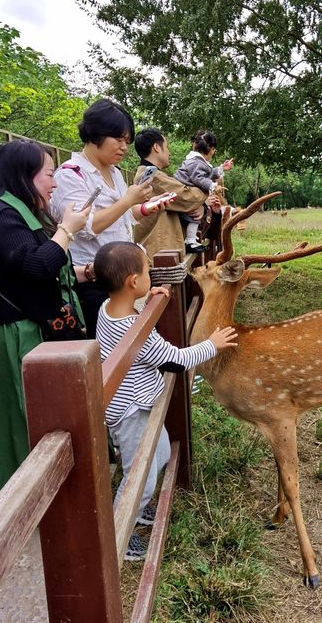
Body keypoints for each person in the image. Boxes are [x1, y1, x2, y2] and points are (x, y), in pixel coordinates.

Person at [93, 240, 238, 561]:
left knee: (158, 456)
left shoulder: (108, 309)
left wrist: (145, 300)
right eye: (148, 272)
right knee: (138, 481)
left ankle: (137, 512)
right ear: (133, 282)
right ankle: (120, 535)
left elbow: (130, 311)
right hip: (131, 415)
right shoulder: (135, 330)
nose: (152, 278)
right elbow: (174, 359)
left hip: (136, 407)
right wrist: (213, 344)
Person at [0, 140, 90, 493]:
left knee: (53, 417)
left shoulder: (29, 212)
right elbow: (38, 267)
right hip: (21, 333)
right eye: (49, 174)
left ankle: (59, 489)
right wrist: (67, 230)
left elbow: (49, 270)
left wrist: (87, 272)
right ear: (24, 174)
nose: (54, 184)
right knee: (30, 420)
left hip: (47, 328)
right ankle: (34, 495)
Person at [51, 99, 170, 339]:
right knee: (105, 350)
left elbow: (121, 216)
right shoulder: (70, 175)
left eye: (126, 141)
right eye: (118, 139)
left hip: (120, 277)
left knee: (130, 344)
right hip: (92, 278)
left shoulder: (114, 173)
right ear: (95, 134)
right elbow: (86, 226)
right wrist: (127, 200)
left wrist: (146, 208)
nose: (124, 147)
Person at [133, 128, 210, 262]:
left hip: (162, 251)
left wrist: (201, 207)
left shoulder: (150, 174)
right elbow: (188, 197)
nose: (169, 152)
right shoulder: (153, 177)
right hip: (160, 254)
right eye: (167, 147)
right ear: (157, 147)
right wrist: (207, 187)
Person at [173, 131, 233, 253]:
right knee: (194, 217)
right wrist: (212, 186)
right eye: (214, 149)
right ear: (211, 149)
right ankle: (190, 241)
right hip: (186, 197)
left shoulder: (196, 161)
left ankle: (191, 238)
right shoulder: (196, 162)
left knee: (196, 217)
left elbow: (208, 173)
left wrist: (222, 168)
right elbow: (199, 178)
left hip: (187, 195)